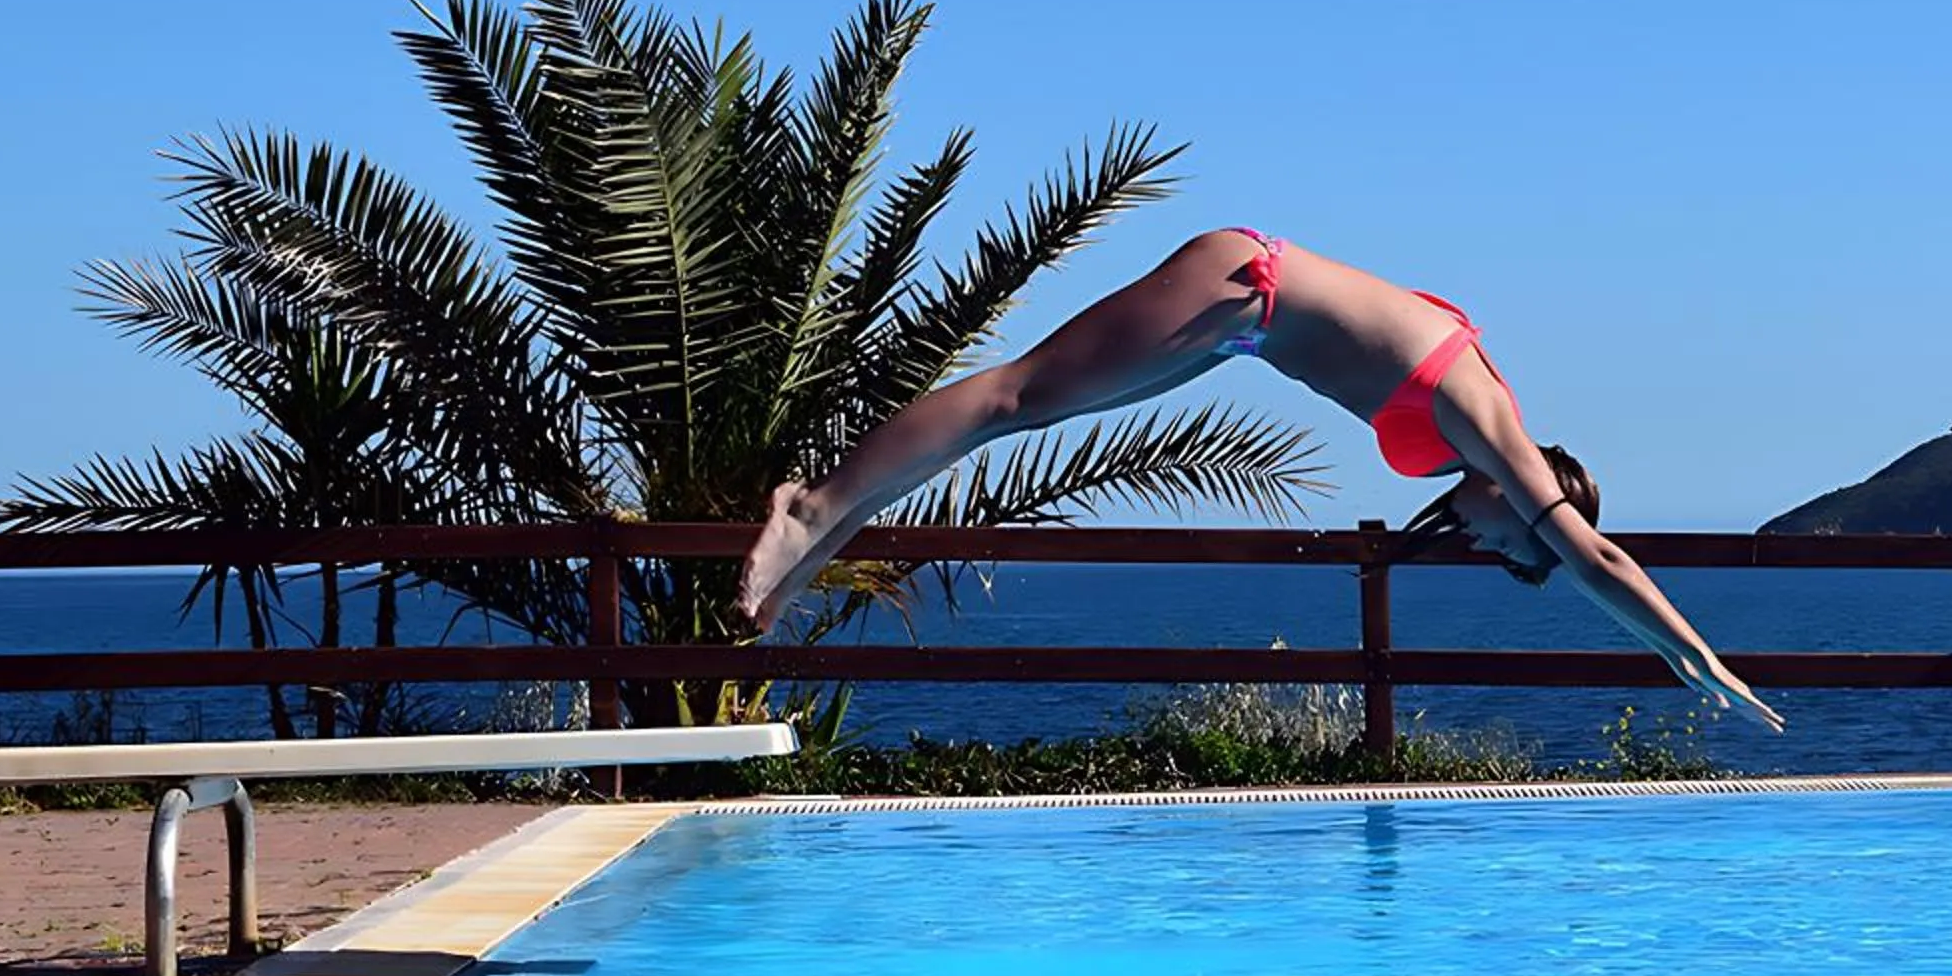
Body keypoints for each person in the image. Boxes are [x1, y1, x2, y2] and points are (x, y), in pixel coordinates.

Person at [735, 227, 1784, 732]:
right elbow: (1591, 552)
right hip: (1245, 289)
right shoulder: (1491, 424)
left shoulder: (1479, 425)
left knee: (1030, 406)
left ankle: (825, 526)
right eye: (1510, 543)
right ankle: (812, 507)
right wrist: (1690, 652)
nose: (1486, 543)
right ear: (1529, 495)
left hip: (1246, 329)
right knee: (1019, 399)